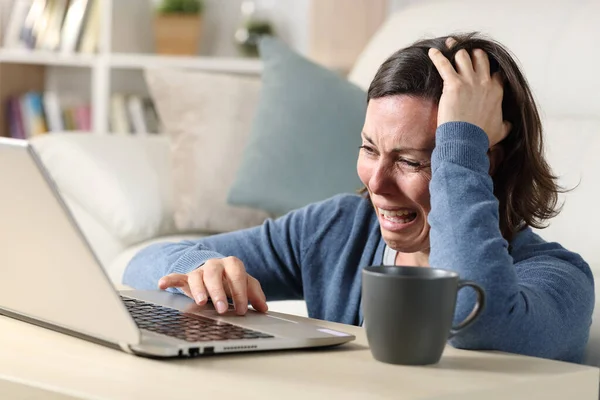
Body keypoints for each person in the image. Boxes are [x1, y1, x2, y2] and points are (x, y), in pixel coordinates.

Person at [123, 32, 594, 364]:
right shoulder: (340, 230)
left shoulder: (560, 281)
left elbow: (472, 322)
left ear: (479, 162)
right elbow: (145, 268)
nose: (377, 183)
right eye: (369, 149)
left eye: (412, 160)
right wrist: (200, 271)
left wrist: (460, 137)